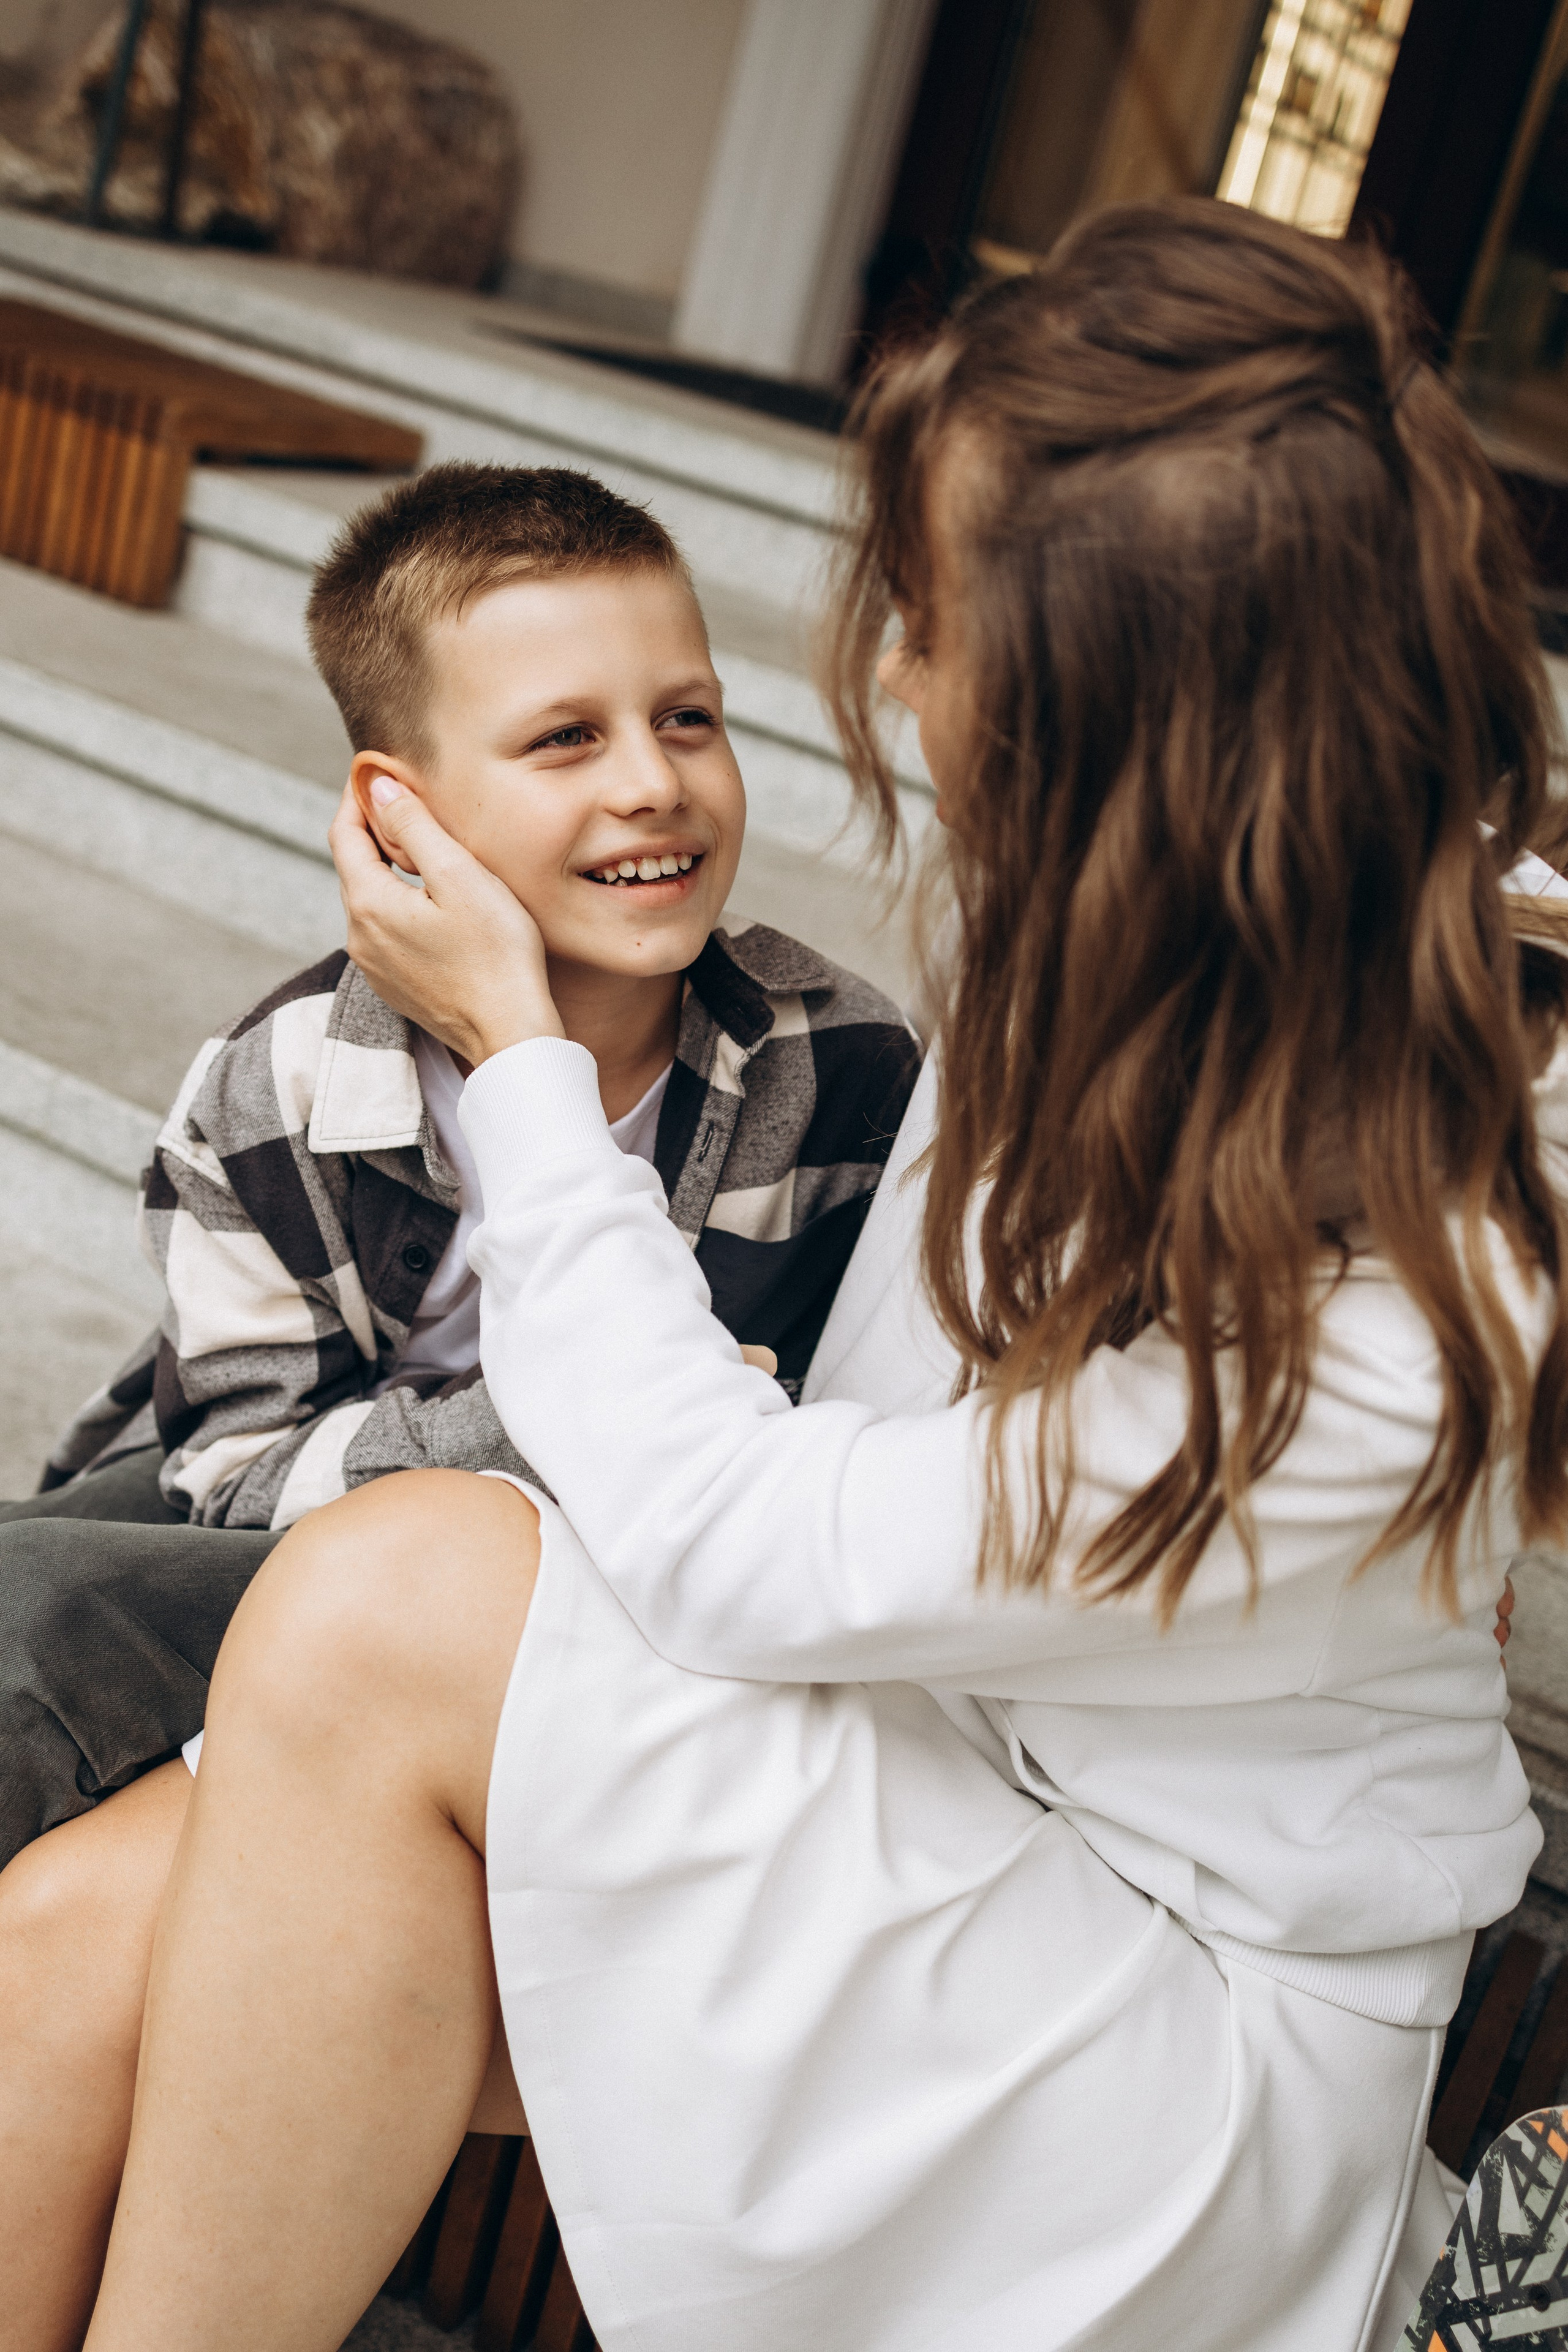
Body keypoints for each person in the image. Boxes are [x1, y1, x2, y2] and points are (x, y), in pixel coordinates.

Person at [8, 196, 1567, 2352]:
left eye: (926, 622)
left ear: (1117, 704)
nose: (901, 683)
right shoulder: (1124, 965)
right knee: (84, 1929)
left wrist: (525, 1064)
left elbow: (755, 1540)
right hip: (914, 1818)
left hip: (1164, 2072)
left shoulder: (1461, 1230)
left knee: (400, 1596)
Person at [0, 459, 918, 1873]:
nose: (652, 785)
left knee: (37, 1612)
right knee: (29, 1570)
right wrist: (544, 1423)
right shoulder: (275, 1086)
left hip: (606, 1581)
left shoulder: (836, 1070)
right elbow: (234, 1473)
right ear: (396, 817)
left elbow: (819, 1449)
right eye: (565, 739)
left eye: (688, 720)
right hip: (288, 1497)